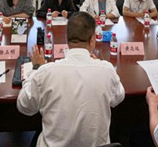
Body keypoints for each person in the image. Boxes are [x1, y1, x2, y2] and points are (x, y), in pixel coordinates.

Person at [17, 12, 125, 147]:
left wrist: (36, 69)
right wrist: (99, 64)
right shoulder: (107, 70)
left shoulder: (46, 72)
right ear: (92, 40)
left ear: (66, 39)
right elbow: (119, 97)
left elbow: (24, 106)